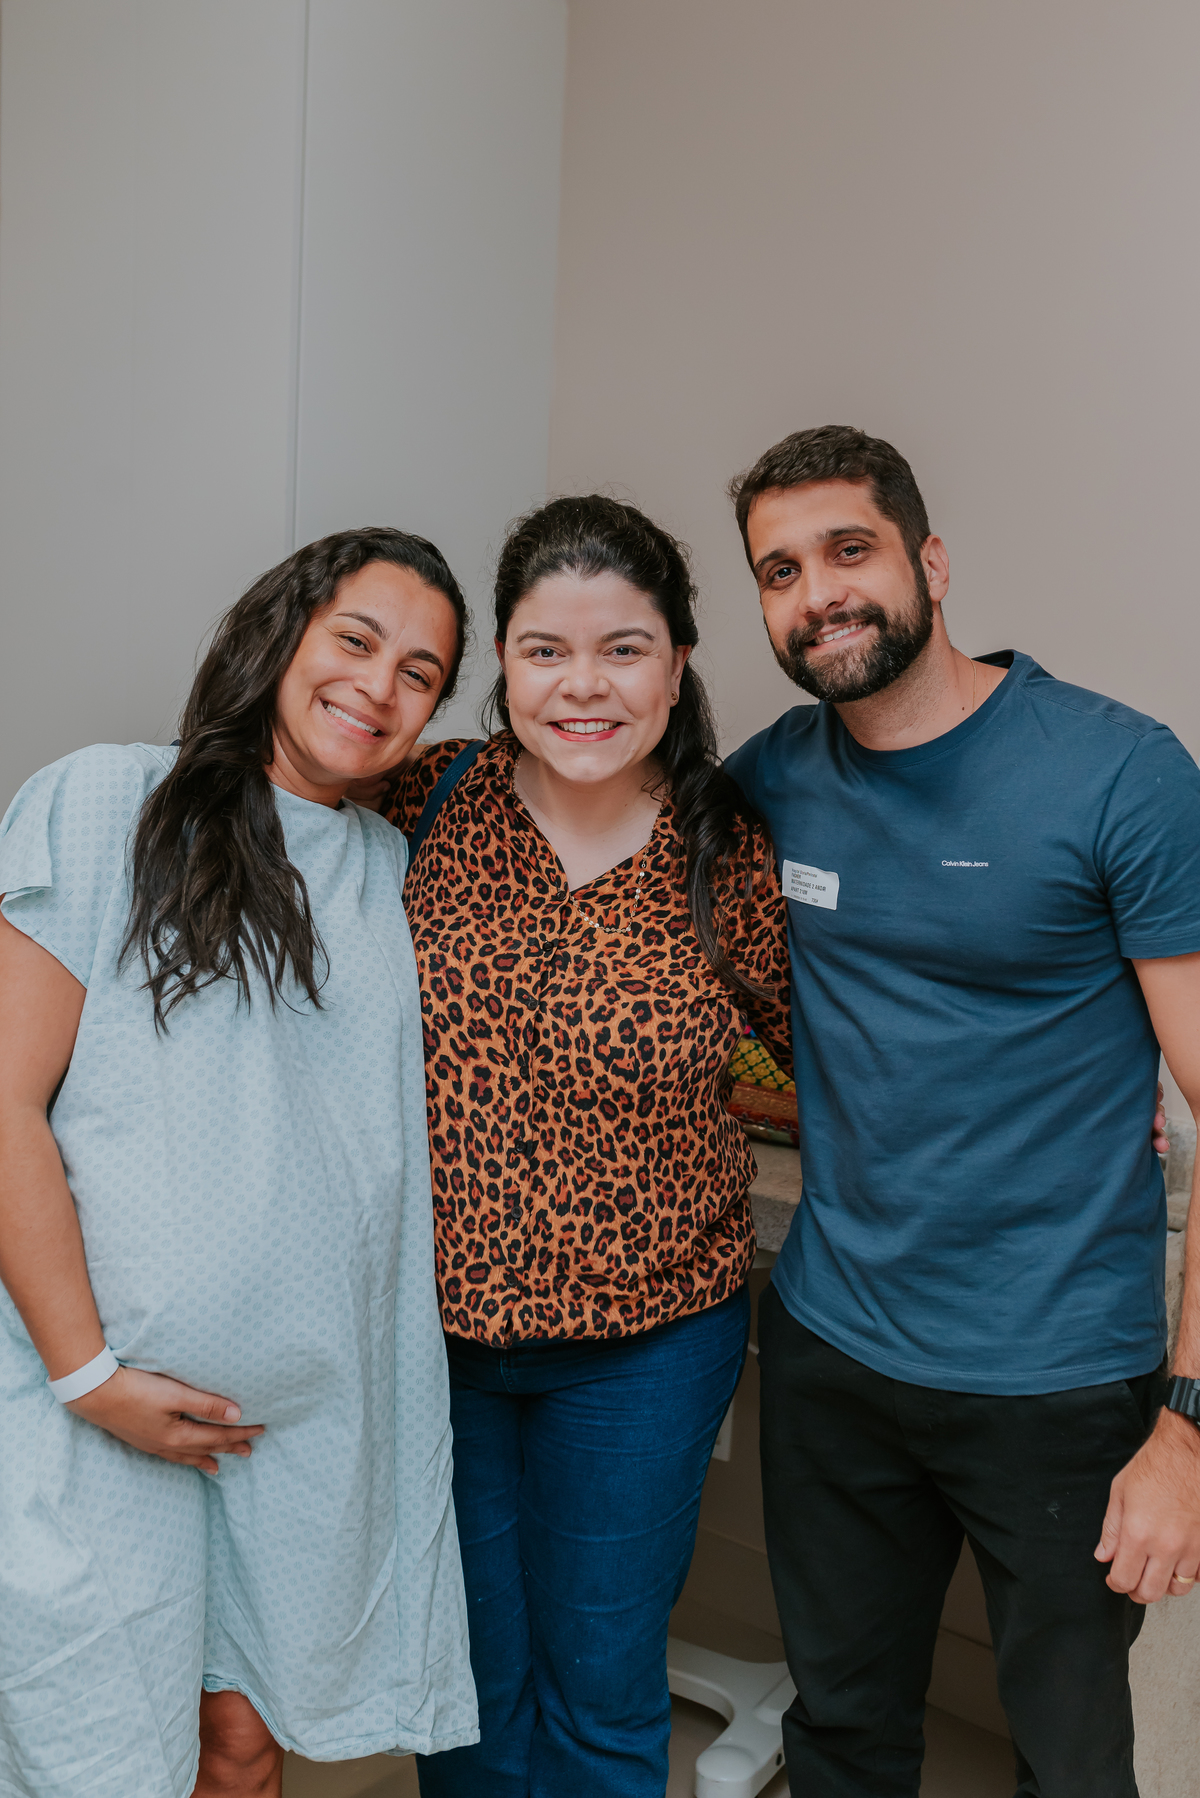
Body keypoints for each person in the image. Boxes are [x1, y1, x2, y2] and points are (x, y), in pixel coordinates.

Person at [722, 425, 1200, 1798]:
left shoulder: (1119, 772)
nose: (818, 593)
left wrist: (1186, 1427)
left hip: (1056, 1378)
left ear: (930, 562)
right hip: (832, 1350)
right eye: (779, 571)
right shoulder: (773, 777)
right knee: (842, 1735)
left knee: (1072, 1761)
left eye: (849, 550)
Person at [0, 529, 479, 1798]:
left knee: (245, 1744)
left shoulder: (388, 871)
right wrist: (89, 1376)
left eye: (421, 673)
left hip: (303, 1424)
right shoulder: (107, 801)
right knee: (100, 1762)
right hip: (93, 1403)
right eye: (357, 640)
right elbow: (3, 1105)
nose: (380, 686)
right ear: (281, 632)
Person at [377, 496, 793, 1797]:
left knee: (603, 1691)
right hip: (433, 1335)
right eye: (546, 649)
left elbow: (838, 1057)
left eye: (623, 648)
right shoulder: (423, 797)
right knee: (464, 1691)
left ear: (676, 661)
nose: (584, 684)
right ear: (503, 660)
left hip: (645, 1345)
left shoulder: (734, 851)